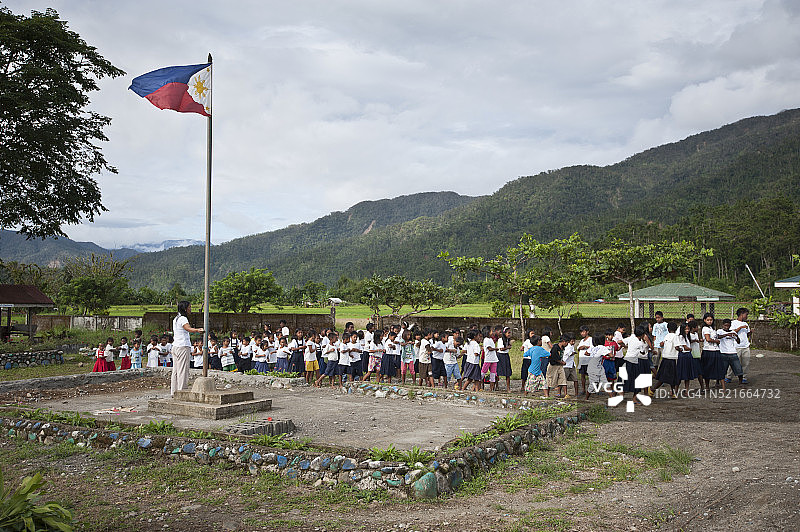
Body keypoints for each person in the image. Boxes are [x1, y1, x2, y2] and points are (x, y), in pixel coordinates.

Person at [171, 300, 204, 396]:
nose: (190, 309)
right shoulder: (183, 319)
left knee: (176, 371)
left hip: (176, 346)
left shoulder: (176, 318)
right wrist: (198, 330)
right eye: (189, 307)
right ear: (185, 309)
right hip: (182, 346)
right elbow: (188, 328)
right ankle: (181, 392)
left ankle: (174, 391)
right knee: (183, 370)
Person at [651, 322, 683, 398]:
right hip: (671, 358)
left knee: (672, 376)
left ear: (668, 329)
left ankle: (673, 392)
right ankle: (653, 389)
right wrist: (680, 349)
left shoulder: (667, 336)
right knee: (665, 377)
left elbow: (662, 344)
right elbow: (676, 347)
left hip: (665, 357)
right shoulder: (675, 337)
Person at [621, 326, 646, 403]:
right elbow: (643, 352)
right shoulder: (640, 343)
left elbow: (621, 341)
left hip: (627, 361)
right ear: (642, 335)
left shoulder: (631, 338)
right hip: (634, 363)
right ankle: (634, 398)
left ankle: (619, 397)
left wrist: (625, 346)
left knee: (624, 380)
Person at [700, 313, 723, 391]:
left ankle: (719, 383)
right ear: (705, 320)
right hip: (708, 350)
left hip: (716, 350)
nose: (710, 321)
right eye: (708, 320)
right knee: (707, 368)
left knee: (718, 367)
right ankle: (707, 386)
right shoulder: (705, 328)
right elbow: (708, 339)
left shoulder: (712, 329)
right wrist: (716, 341)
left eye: (711, 320)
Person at [718, 319, 744, 387]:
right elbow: (717, 337)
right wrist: (726, 334)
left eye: (728, 326)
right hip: (723, 352)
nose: (726, 327)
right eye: (725, 325)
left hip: (732, 352)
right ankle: (718, 382)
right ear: (723, 325)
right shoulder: (720, 331)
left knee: (738, 368)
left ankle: (740, 382)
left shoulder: (733, 332)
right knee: (722, 369)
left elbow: (738, 341)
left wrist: (736, 336)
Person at [729, 307, 751, 384]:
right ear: (741, 314)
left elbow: (747, 334)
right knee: (733, 362)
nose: (747, 316)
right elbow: (732, 332)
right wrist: (740, 327)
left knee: (745, 363)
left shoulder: (746, 324)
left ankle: (744, 377)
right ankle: (729, 376)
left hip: (745, 345)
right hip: (736, 346)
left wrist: (750, 332)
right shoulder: (733, 323)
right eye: (746, 314)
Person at [675, 323, 698, 393]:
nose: (687, 330)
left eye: (688, 329)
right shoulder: (681, 337)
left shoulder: (687, 336)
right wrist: (690, 349)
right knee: (681, 374)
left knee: (687, 374)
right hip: (684, 355)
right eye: (686, 329)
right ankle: (676, 390)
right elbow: (685, 347)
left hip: (687, 355)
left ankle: (686, 390)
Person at [576, 325, 593, 395]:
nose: (582, 333)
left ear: (587, 332)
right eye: (581, 332)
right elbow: (578, 347)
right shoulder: (582, 340)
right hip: (582, 360)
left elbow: (592, 347)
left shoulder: (590, 339)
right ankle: (583, 389)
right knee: (582, 375)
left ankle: (591, 389)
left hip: (588, 360)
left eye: (583, 332)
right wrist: (580, 347)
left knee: (590, 375)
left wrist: (585, 347)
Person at [496, 327, 513, 392]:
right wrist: (508, 347)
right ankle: (496, 385)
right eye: (508, 333)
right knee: (498, 372)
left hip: (506, 356)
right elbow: (501, 349)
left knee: (508, 373)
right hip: (500, 356)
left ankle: (508, 388)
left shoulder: (508, 340)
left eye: (510, 333)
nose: (509, 334)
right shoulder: (500, 340)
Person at [562, 333, 579, 397]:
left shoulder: (572, 346)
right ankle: (562, 392)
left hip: (571, 365)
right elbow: (568, 354)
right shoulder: (567, 347)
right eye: (572, 341)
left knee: (575, 379)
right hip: (566, 365)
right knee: (563, 380)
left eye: (574, 341)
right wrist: (573, 353)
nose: (573, 342)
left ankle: (576, 393)